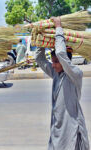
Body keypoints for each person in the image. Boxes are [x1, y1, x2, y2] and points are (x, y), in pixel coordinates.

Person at [35, 17, 90, 150]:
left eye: (56, 62)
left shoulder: (75, 74)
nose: (52, 65)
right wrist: (41, 36)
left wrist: (58, 27)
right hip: (57, 130)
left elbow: (60, 52)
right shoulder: (56, 74)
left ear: (65, 61)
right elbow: (39, 59)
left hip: (72, 130)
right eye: (52, 61)